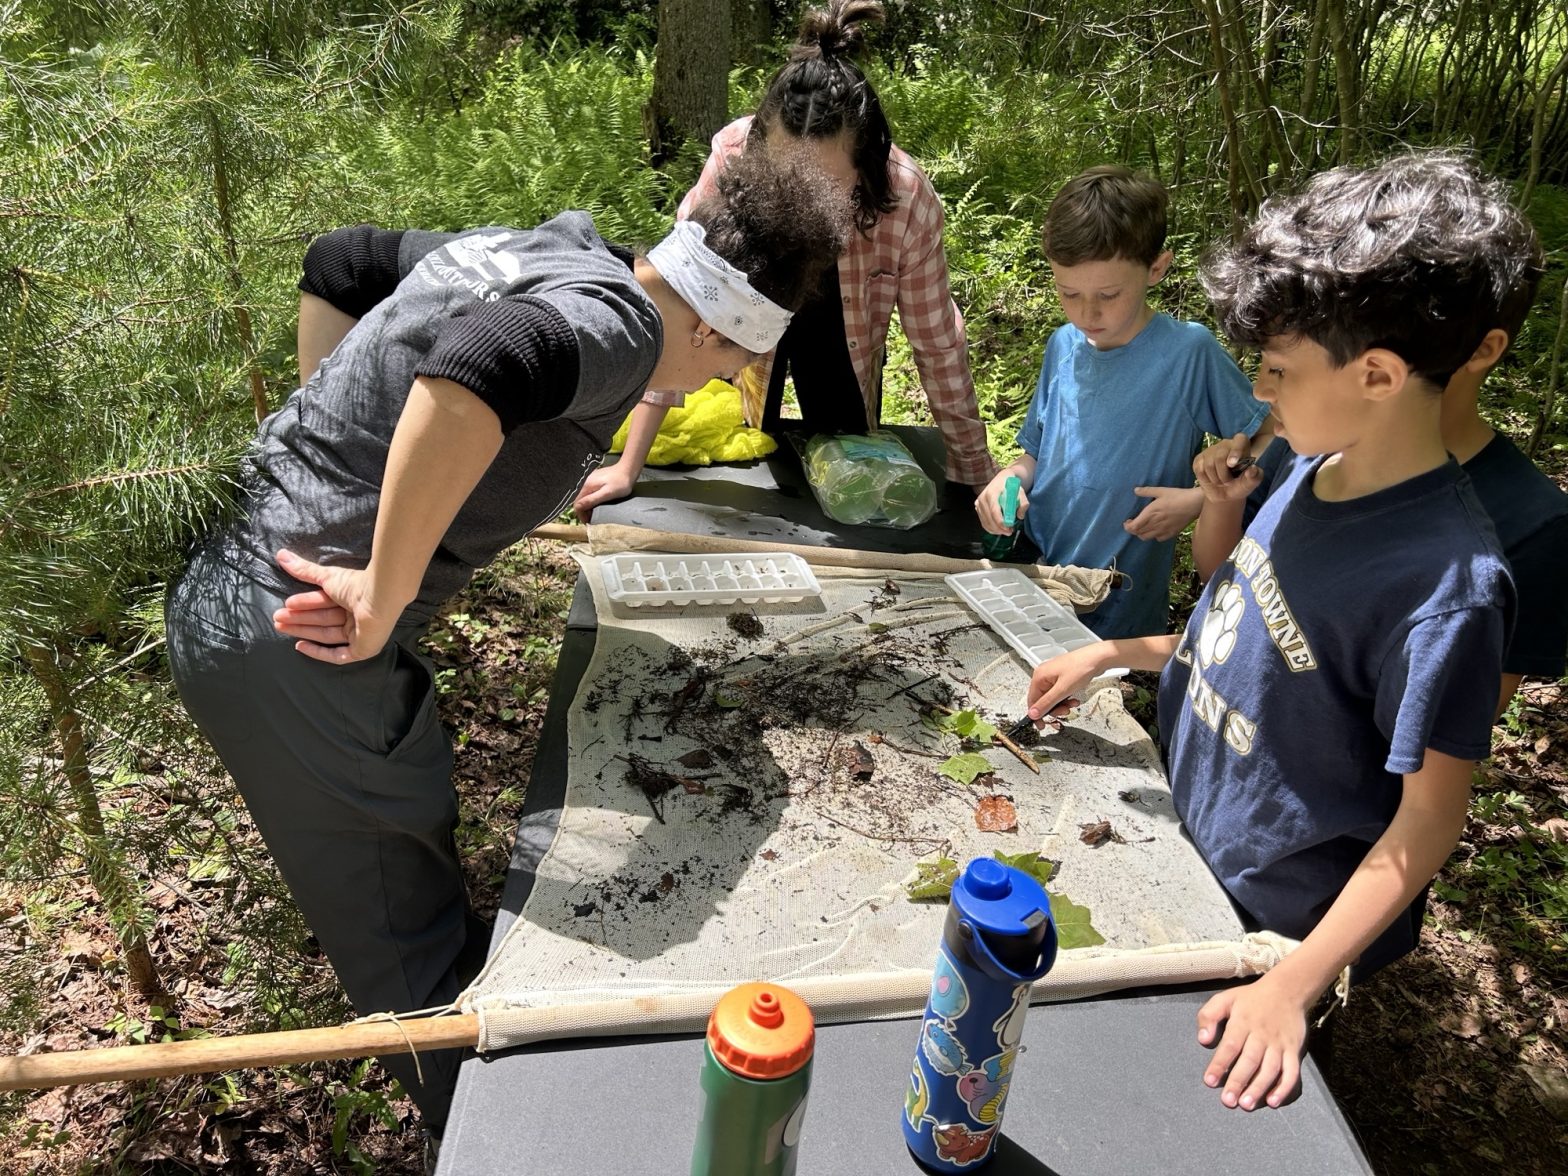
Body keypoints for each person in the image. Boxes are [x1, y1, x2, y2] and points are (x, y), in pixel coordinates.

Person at [164, 152, 849, 1134]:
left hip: (252, 583)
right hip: (299, 638)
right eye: (733, 364)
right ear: (709, 325)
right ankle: (503, 1141)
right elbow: (483, 367)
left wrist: (328, 468)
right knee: (415, 956)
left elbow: (341, 262)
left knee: (412, 848)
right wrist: (379, 582)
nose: (722, 381)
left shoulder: (554, 250)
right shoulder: (622, 331)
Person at [1023, 152, 1525, 1112]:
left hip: (1271, 930)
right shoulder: (1303, 471)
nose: (1260, 388)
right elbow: (1241, 635)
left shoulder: (1446, 588)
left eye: (1279, 368)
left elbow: (1427, 826)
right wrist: (1114, 653)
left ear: (1376, 373)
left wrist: (1293, 986)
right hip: (1184, 852)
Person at [573, 0, 997, 519]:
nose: (801, 201)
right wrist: (629, 466)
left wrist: (973, 472)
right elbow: (675, 306)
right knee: (746, 451)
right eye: (783, 176)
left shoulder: (908, 199)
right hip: (743, 320)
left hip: (847, 331)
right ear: (758, 149)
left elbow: (937, 341)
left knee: (845, 468)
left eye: (822, 186)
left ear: (864, 163)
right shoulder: (734, 154)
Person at [1193, 232, 1563, 715]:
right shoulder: (1315, 447)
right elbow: (1228, 587)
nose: (1263, 389)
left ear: (1482, 348)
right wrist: (1223, 502)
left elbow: (1448, 727)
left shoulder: (1535, 527)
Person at [975, 165, 1272, 638]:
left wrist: (1199, 500)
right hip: (1039, 575)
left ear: (1156, 267)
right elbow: (1036, 452)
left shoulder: (1186, 353)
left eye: (1107, 295)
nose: (1086, 313)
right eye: (1068, 293)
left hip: (1118, 599)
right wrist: (1008, 478)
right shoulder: (1062, 345)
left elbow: (1270, 435)